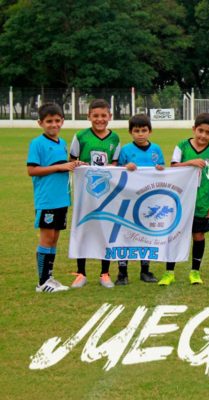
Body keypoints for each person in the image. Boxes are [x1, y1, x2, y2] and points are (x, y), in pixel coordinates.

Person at [158, 113, 209, 286]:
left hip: (201, 201)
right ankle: (169, 272)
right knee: (174, 234)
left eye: (208, 133)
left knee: (198, 235)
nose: (203, 135)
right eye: (200, 131)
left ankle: (195, 271)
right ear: (194, 129)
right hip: (180, 199)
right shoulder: (182, 146)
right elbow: (173, 167)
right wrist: (191, 162)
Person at [27, 103, 84, 292]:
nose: (54, 124)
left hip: (62, 198)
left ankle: (49, 278)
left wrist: (74, 164)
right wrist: (60, 167)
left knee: (54, 238)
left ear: (62, 121)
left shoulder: (62, 143)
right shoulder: (37, 143)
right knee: (47, 238)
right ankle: (42, 282)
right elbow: (32, 170)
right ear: (40, 123)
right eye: (49, 121)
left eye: (57, 120)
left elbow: (63, 164)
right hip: (47, 199)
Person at [69, 98, 121, 288]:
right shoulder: (80, 136)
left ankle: (104, 273)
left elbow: (115, 164)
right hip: (85, 193)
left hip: (106, 193)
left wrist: (110, 168)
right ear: (89, 116)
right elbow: (72, 161)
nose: (100, 119)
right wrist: (79, 165)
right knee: (83, 229)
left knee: (105, 230)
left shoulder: (115, 138)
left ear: (110, 116)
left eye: (103, 115)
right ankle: (81, 273)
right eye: (96, 116)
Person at [115, 114, 164, 285]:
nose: (140, 134)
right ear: (130, 132)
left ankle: (145, 270)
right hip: (128, 199)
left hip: (148, 200)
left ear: (150, 131)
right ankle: (122, 272)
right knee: (125, 234)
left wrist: (160, 169)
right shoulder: (126, 150)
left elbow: (162, 170)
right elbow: (116, 172)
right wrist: (124, 167)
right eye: (136, 131)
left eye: (144, 130)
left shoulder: (156, 149)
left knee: (146, 234)